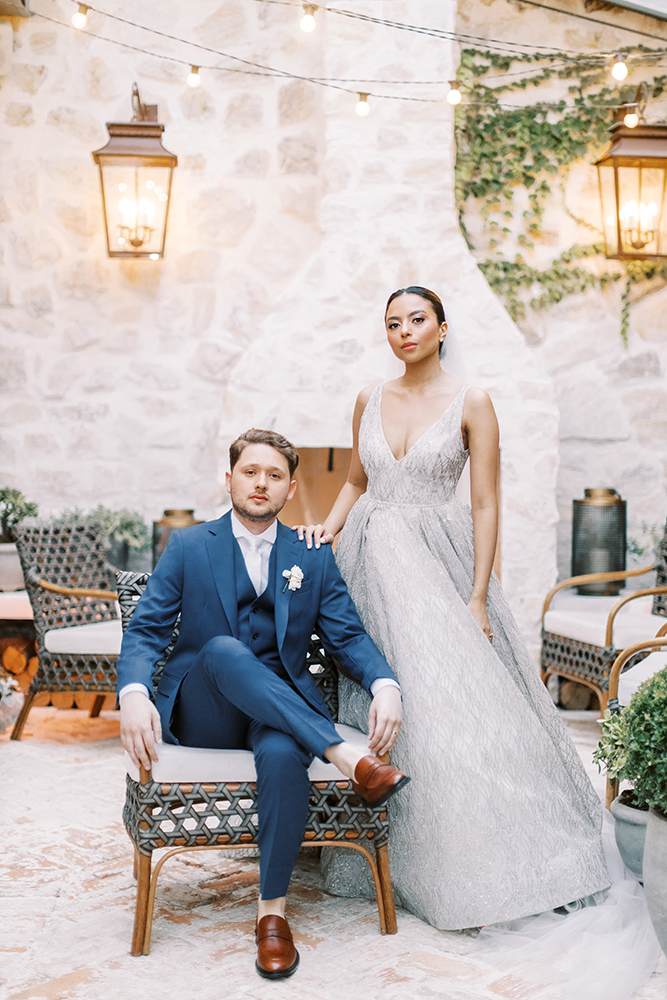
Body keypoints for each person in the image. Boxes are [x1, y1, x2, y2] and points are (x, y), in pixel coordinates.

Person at [295, 286, 611, 931]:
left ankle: (488, 856)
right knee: (384, 700)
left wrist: (476, 593)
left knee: (452, 702)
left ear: (442, 328)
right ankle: (386, 854)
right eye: (392, 323)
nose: (404, 331)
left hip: (435, 564)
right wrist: (324, 533)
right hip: (368, 562)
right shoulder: (368, 398)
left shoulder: (473, 401)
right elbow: (357, 480)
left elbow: (485, 503)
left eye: (417, 320)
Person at [117, 428, 409, 981]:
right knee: (224, 650)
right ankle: (348, 760)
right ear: (228, 479)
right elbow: (148, 631)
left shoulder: (312, 556)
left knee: (281, 755)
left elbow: (347, 639)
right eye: (250, 471)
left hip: (277, 715)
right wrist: (133, 694)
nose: (261, 483)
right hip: (205, 710)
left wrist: (386, 685)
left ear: (291, 488)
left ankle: (272, 915)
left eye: (274, 475)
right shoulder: (189, 546)